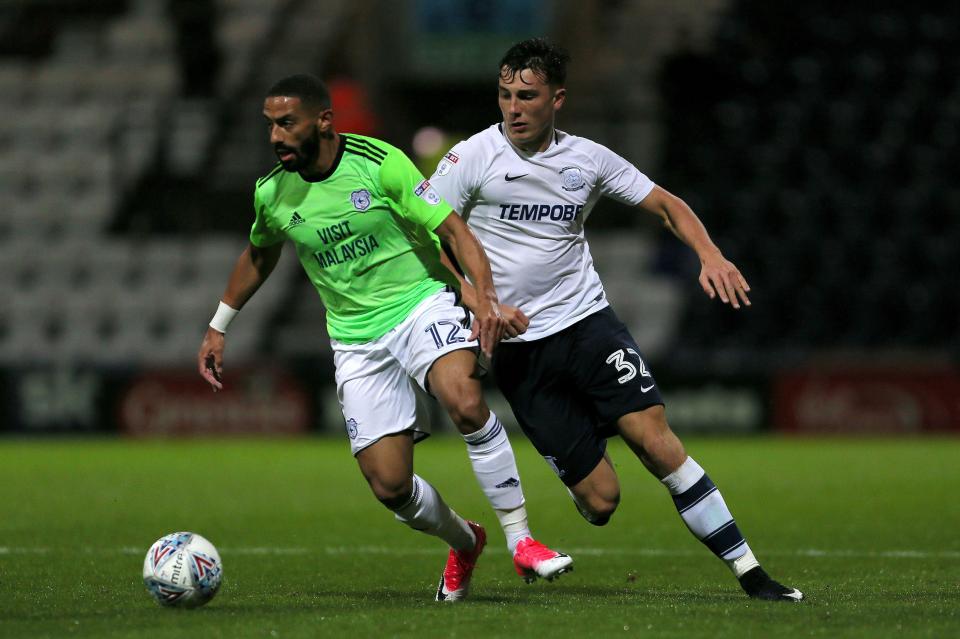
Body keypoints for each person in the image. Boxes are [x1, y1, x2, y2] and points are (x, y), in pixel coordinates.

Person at [428, 38, 804, 602]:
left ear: (557, 99)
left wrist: (711, 254)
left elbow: (666, 204)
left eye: (527, 96)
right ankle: (586, 444)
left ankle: (752, 573)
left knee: (656, 441)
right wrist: (476, 297)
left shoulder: (588, 159)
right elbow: (427, 234)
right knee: (601, 502)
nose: (513, 108)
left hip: (588, 325)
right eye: (505, 95)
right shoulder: (470, 158)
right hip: (523, 351)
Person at [196, 74, 572, 602]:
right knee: (391, 488)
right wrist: (218, 326)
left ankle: (522, 540)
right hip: (355, 340)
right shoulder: (272, 194)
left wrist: (481, 297)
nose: (276, 137)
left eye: (287, 124)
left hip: (421, 302)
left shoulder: (379, 162)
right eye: (270, 126)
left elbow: (453, 230)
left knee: (464, 401)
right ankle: (465, 541)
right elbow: (260, 255)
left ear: (323, 121)